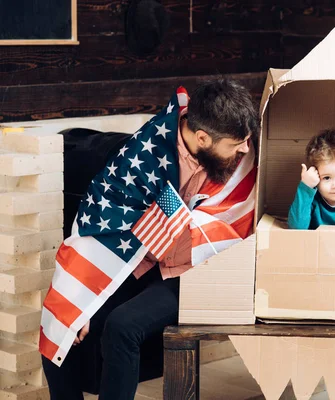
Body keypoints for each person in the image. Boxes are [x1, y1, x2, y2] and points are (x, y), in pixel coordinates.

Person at [40, 78, 259, 400]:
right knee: (62, 320)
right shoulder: (144, 151)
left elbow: (225, 225)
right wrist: (81, 301)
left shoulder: (239, 156)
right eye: (235, 143)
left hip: (202, 264)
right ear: (201, 137)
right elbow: (103, 217)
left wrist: (175, 217)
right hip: (144, 254)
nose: (245, 149)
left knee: (122, 327)